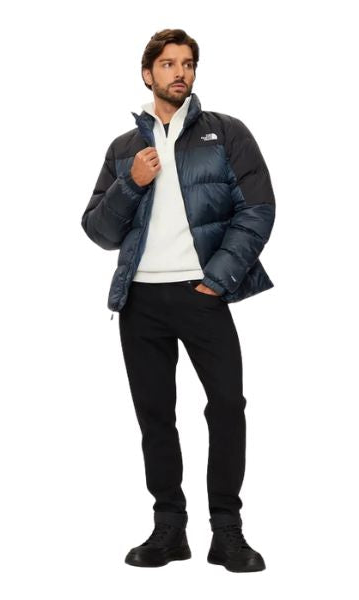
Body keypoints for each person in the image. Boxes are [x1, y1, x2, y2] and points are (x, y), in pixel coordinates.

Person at [82, 28, 275, 573]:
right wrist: (131, 183)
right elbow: (98, 230)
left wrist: (218, 278)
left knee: (227, 408)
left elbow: (258, 208)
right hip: (140, 301)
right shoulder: (124, 149)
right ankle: (169, 528)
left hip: (202, 293)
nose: (180, 73)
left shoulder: (226, 133)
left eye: (187, 63)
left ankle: (227, 531)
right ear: (148, 74)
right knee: (155, 417)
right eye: (168, 64)